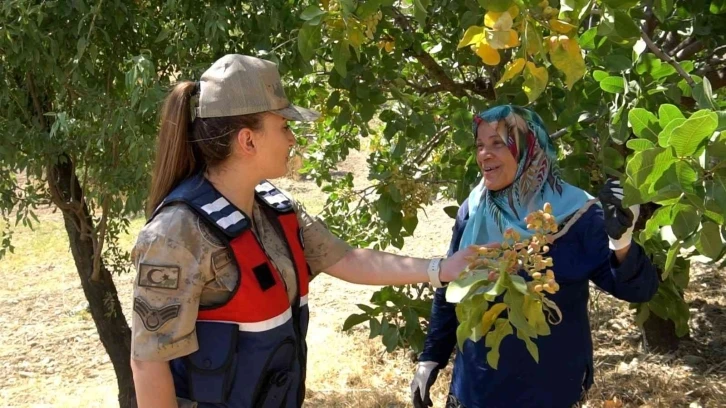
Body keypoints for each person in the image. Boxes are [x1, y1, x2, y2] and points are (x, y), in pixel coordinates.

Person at [128, 54, 475, 408]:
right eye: (284, 127)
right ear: (248, 141)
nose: (292, 139)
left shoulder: (274, 209)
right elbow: (148, 360)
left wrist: (440, 269)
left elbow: (346, 258)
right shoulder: (176, 234)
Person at [410, 105, 659, 408]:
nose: (484, 154)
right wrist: (431, 357)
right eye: (480, 145)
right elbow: (450, 286)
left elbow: (638, 289)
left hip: (549, 389)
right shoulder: (474, 209)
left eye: (498, 143)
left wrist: (621, 240)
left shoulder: (577, 214)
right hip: (476, 388)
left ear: (529, 148)